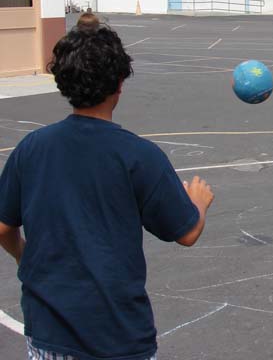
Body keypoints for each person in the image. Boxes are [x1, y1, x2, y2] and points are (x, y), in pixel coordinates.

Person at [0, 21, 215, 359]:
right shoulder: (139, 156)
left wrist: (21, 254)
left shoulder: (32, 148)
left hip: (47, 333)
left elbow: (3, 227)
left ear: (63, 82)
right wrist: (198, 203)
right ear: (119, 84)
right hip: (118, 336)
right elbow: (186, 232)